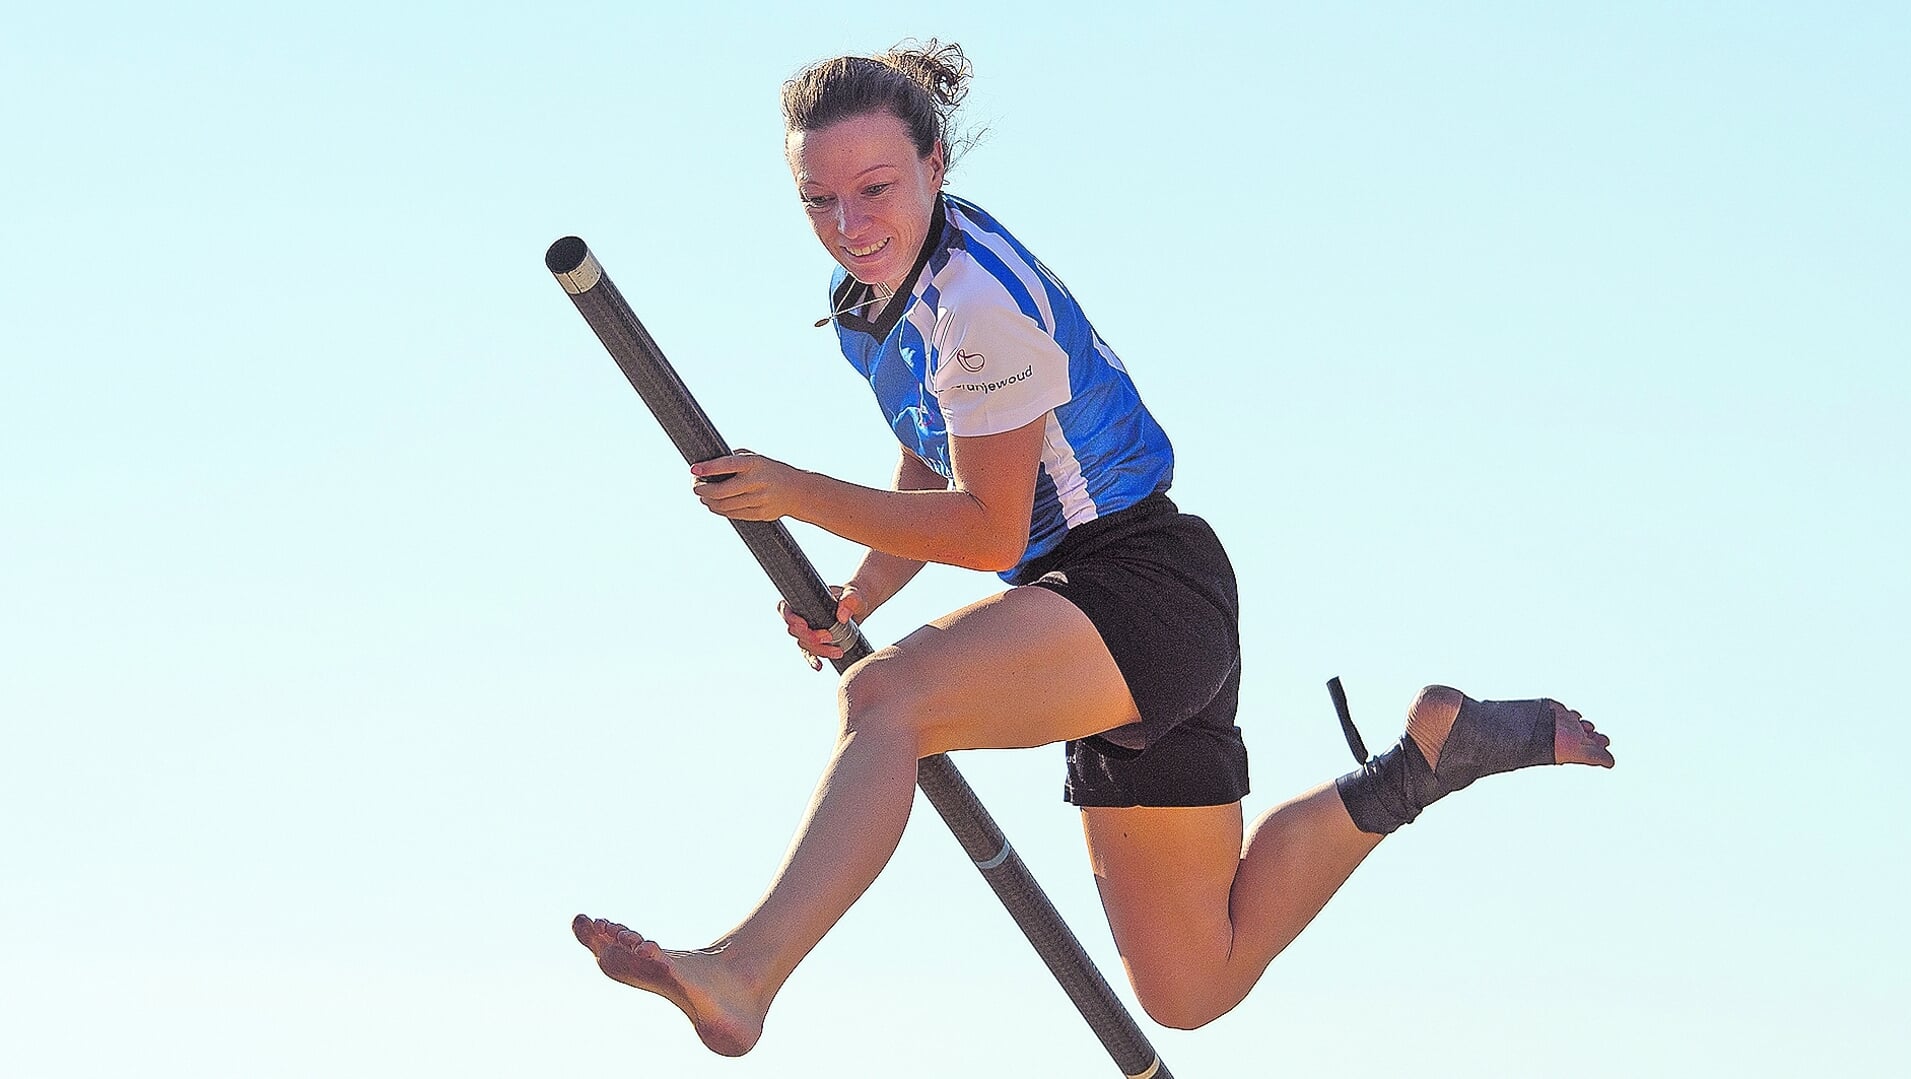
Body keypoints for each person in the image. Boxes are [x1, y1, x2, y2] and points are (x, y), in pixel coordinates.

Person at [572, 39, 1615, 1057]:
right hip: (1095, 610)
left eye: (876, 189)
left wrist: (798, 493)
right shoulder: (874, 299)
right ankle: (1425, 761)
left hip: (1135, 587)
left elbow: (985, 527)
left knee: (887, 701)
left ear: (936, 164)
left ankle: (743, 971)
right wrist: (864, 591)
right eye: (818, 200)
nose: (849, 225)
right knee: (1192, 984)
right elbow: (931, 452)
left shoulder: (978, 305)